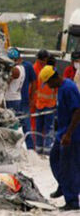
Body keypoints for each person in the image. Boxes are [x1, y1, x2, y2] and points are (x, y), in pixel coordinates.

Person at [39, 66, 80, 211]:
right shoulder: (61, 88)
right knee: (54, 158)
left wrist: (69, 134)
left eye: (48, 83)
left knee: (68, 167)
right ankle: (63, 186)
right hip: (62, 132)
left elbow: (77, 111)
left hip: (72, 134)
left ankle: (72, 200)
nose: (48, 87)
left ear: (53, 78)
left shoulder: (68, 88)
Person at [6, 47, 36, 149]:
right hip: (18, 98)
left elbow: (6, 82)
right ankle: (29, 148)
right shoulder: (23, 67)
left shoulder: (16, 69)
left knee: (12, 125)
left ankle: (16, 148)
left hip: (12, 100)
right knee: (22, 125)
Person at [35, 56, 58, 155]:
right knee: (48, 127)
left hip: (39, 104)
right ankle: (47, 149)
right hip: (50, 104)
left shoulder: (41, 72)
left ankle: (38, 148)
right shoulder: (53, 73)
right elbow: (56, 89)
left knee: (39, 126)